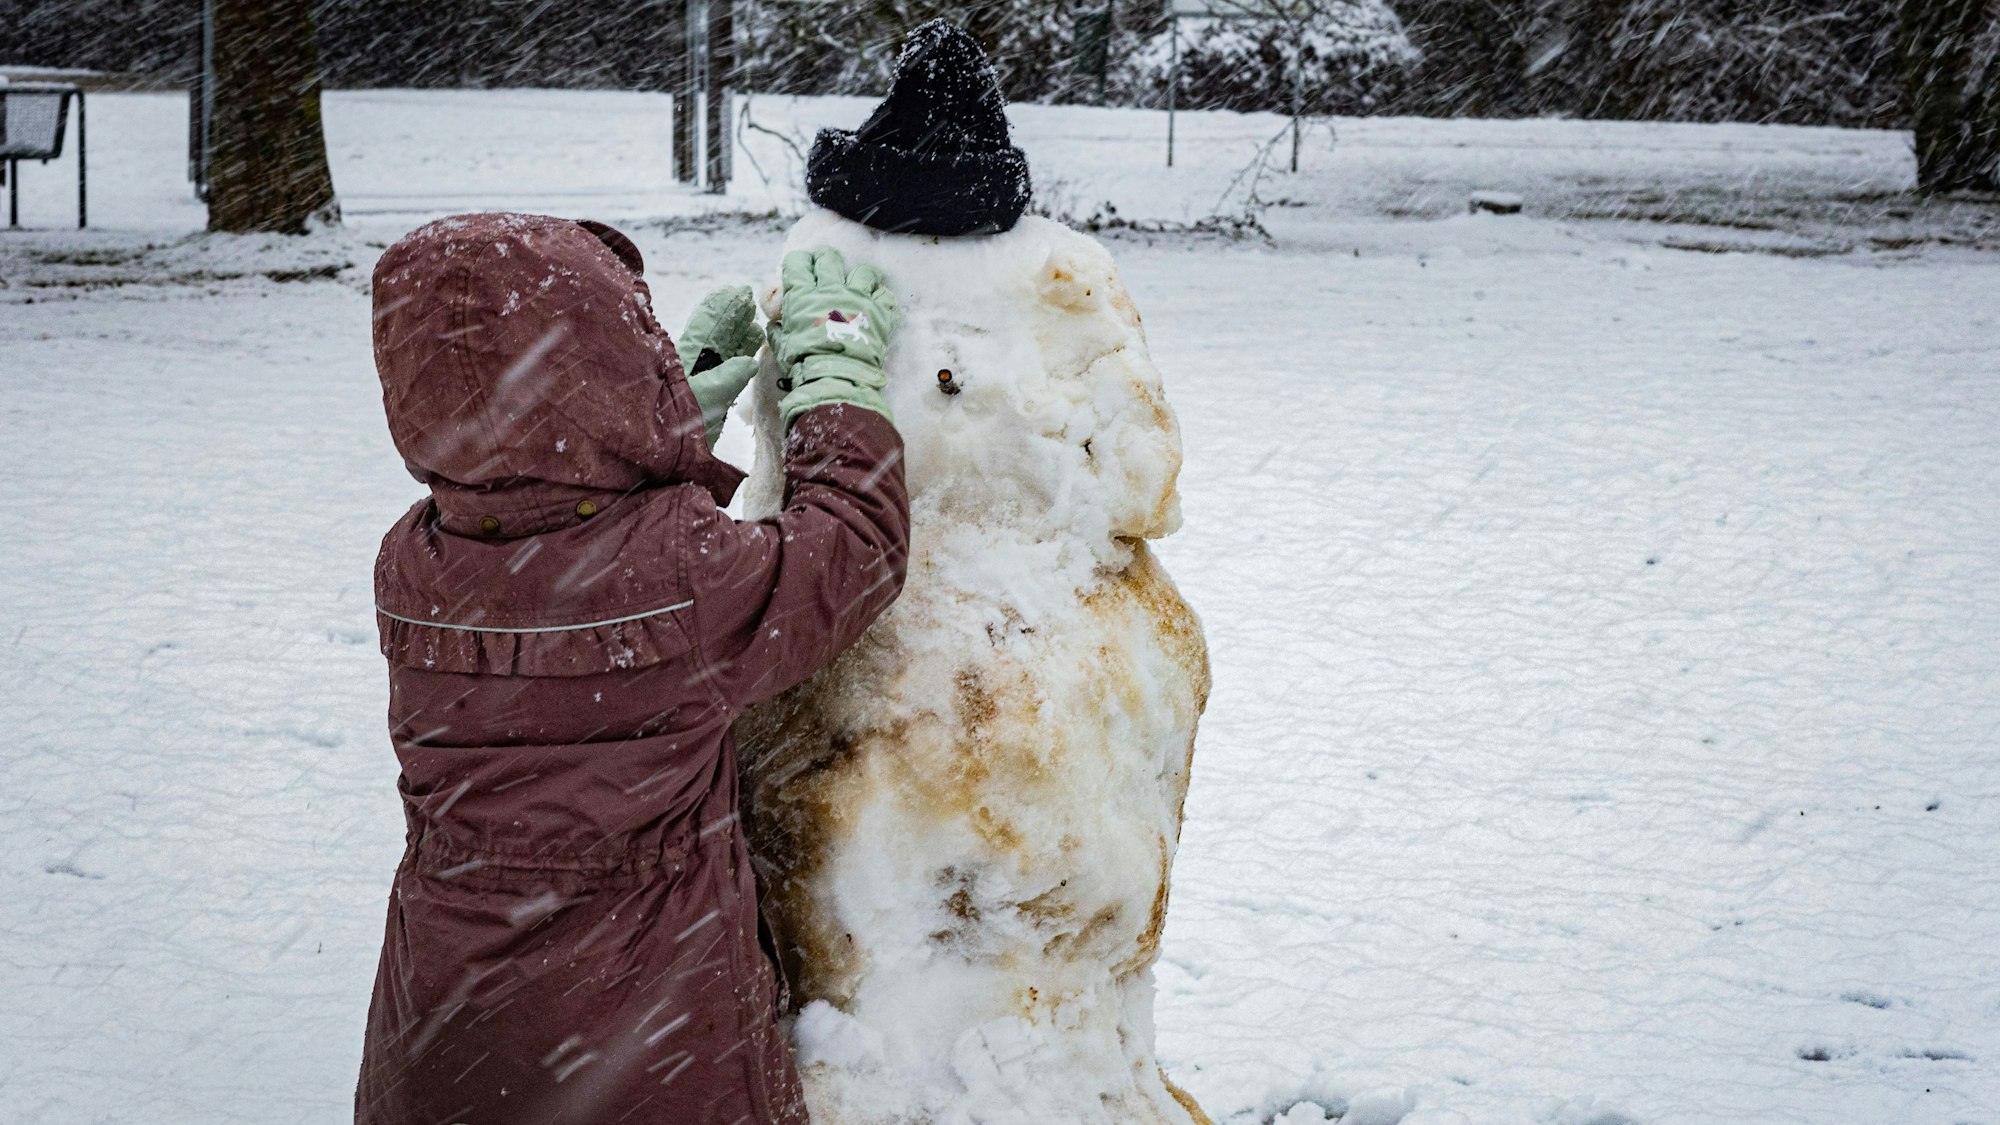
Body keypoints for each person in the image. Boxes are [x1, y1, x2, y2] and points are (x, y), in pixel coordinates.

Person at [354, 212, 908, 1125]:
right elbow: (851, 550)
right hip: (645, 1031)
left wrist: (664, 428)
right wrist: (835, 378)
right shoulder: (685, 573)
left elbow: (556, 540)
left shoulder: (412, 562)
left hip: (445, 1022)